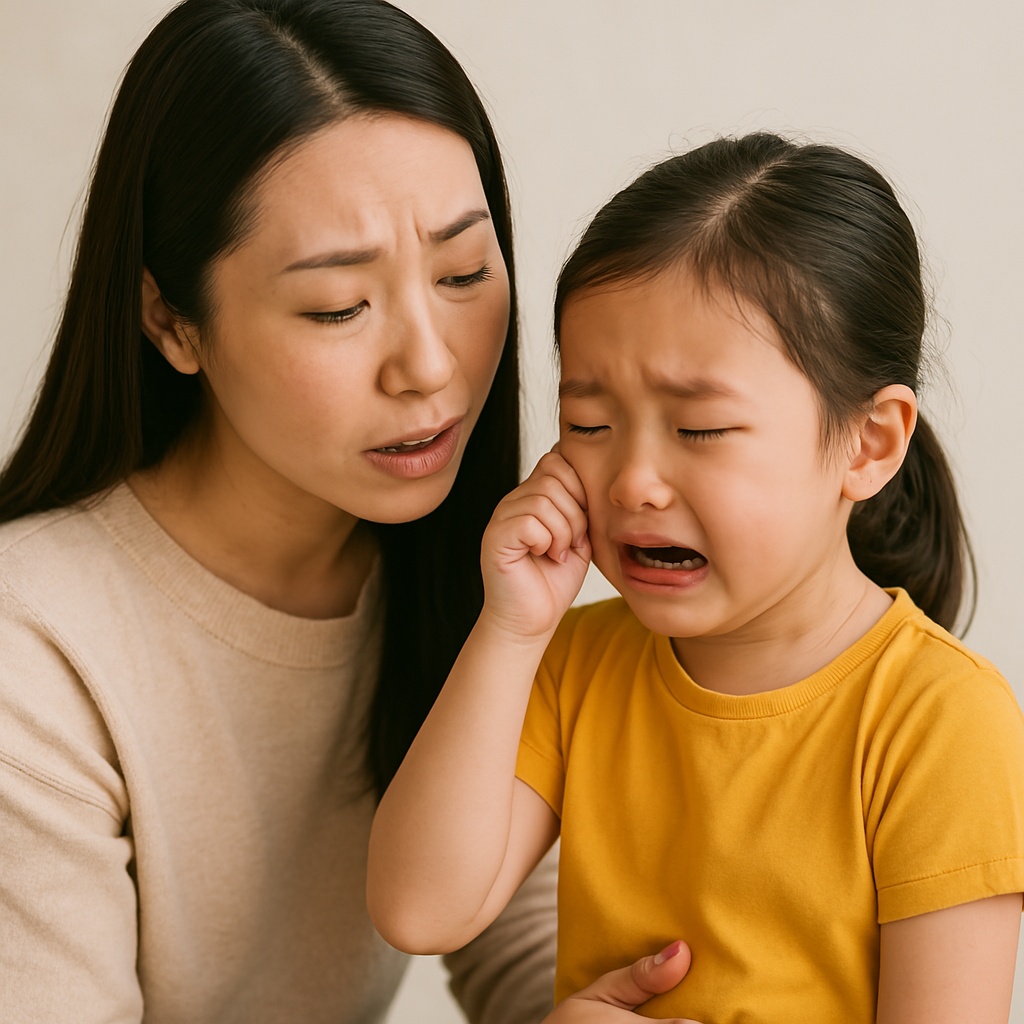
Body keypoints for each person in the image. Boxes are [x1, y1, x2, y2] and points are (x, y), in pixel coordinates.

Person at [0, 1, 695, 1021]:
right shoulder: (35, 651)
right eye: (338, 307)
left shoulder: (478, 575)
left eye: (464, 273)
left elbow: (527, 940)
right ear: (171, 318)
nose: (431, 364)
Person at [368, 132, 1024, 1022]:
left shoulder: (944, 724)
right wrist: (511, 628)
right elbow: (420, 908)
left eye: (700, 429)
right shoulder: (575, 665)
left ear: (868, 444)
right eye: (591, 425)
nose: (633, 481)